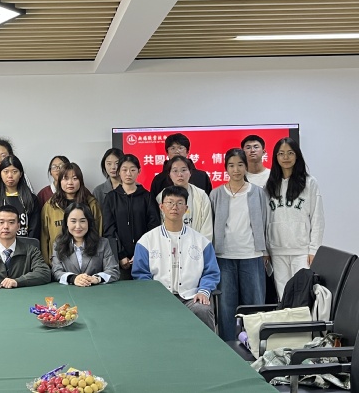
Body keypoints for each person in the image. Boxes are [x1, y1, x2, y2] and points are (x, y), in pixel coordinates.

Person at [132, 186, 220, 331]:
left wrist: (203, 291)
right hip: (158, 298)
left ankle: (209, 345)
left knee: (203, 309)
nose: (174, 207)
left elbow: (211, 272)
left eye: (179, 203)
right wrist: (153, 294)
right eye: (170, 203)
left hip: (191, 297)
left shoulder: (201, 241)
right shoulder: (147, 241)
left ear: (186, 208)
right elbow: (140, 273)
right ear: (161, 207)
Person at [209, 148, 267, 341]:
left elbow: (265, 221)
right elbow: (211, 224)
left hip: (252, 254)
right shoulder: (216, 194)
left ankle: (256, 344)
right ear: (226, 168)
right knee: (226, 306)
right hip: (224, 256)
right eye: (231, 165)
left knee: (255, 304)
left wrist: (265, 250)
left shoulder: (257, 192)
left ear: (246, 166)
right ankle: (227, 344)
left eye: (240, 165)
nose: (236, 170)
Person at [265, 137, 324, 298]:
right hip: (277, 250)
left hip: (302, 250)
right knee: (283, 295)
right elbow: (265, 219)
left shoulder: (309, 183)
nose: (286, 157)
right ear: (275, 157)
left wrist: (314, 249)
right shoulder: (269, 184)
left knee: (302, 294)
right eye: (281, 153)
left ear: (297, 155)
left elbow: (317, 218)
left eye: (290, 153)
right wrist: (266, 249)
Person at [103, 154, 160, 279]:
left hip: (145, 256)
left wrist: (140, 253)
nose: (128, 173)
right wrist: (121, 255)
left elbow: (153, 226)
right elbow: (109, 229)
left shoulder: (147, 197)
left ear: (139, 171)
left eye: (133, 169)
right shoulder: (111, 198)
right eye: (124, 170)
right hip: (119, 260)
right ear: (119, 172)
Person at [40, 163, 102, 265]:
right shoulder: (50, 206)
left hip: (88, 264)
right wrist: (47, 264)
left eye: (74, 178)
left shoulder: (91, 204)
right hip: (57, 263)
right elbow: (44, 237)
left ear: (80, 181)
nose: (70, 183)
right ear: (60, 181)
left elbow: (98, 232)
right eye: (65, 178)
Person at [51, 202, 119, 286]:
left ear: (89, 223)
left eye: (82, 221)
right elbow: (56, 271)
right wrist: (73, 278)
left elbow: (113, 270)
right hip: (69, 291)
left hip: (96, 290)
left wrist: (96, 278)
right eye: (73, 221)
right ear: (66, 223)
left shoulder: (103, 243)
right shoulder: (58, 244)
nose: (78, 226)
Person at [158, 156, 213, 242]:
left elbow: (207, 226)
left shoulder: (201, 195)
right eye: (175, 171)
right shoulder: (162, 196)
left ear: (190, 173)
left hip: (196, 245)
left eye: (183, 170)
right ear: (169, 174)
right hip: (169, 244)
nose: (180, 174)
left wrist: (201, 246)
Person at [0, 155, 40, 240]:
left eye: (14, 171)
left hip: (26, 247)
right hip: (0, 247)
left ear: (20, 174)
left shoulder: (31, 199)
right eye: (6, 172)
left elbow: (35, 230)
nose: (10, 175)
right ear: (0, 174)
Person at [150, 133, 212, 202]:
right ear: (167, 152)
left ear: (187, 151)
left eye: (180, 148)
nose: (177, 151)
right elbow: (153, 204)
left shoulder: (201, 177)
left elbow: (208, 201)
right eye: (173, 148)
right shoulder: (159, 179)